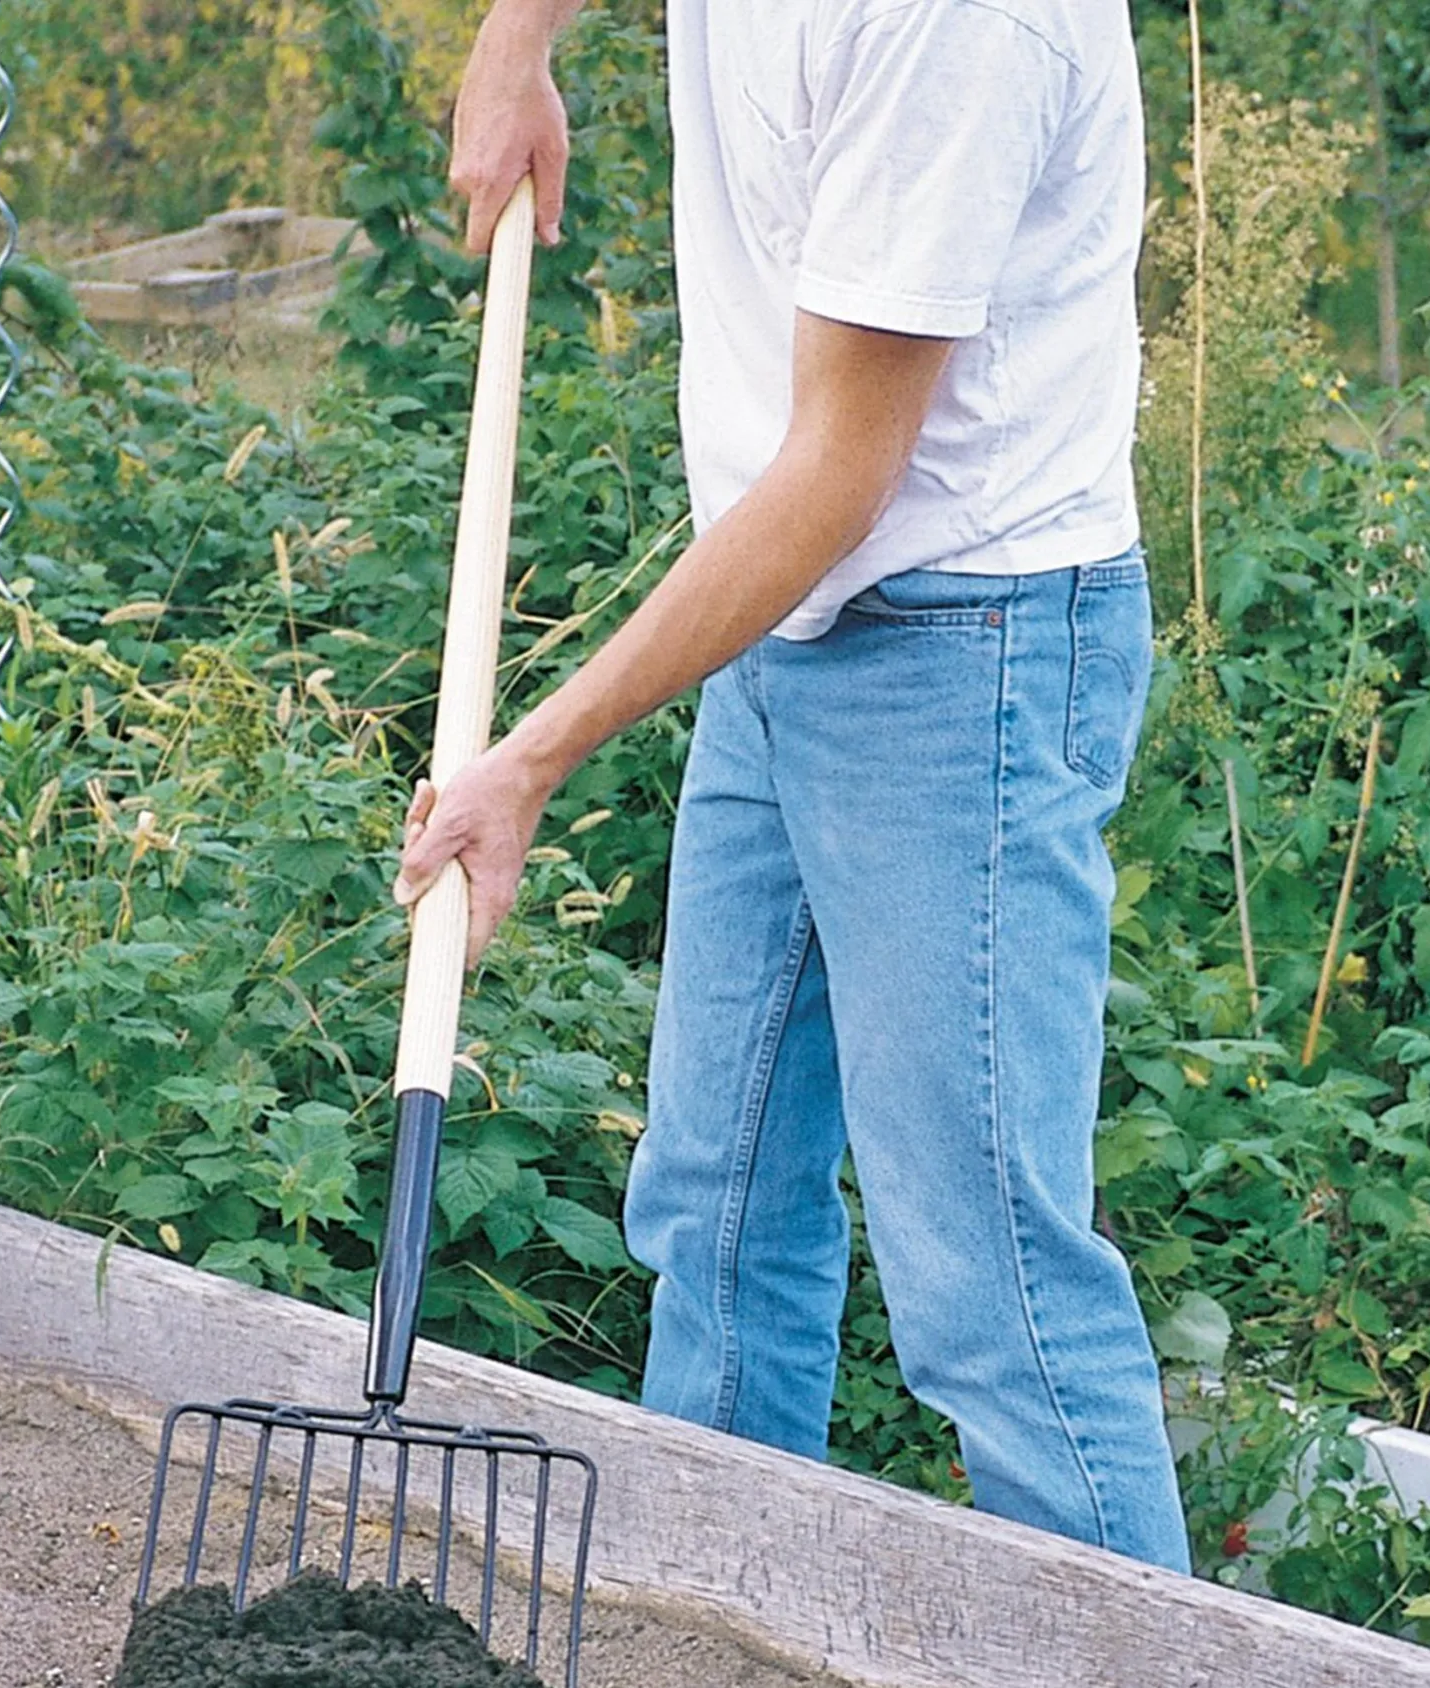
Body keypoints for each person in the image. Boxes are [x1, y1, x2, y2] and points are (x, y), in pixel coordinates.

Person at [395, 0, 1192, 1572]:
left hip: (963, 637)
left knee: (989, 1290)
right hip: (781, 617)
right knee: (717, 1201)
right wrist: (518, 33)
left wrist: (537, 753)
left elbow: (843, 467)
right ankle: (737, 1637)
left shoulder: (959, 24)